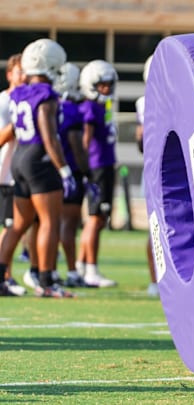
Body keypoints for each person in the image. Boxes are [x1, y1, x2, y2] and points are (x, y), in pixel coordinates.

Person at [0, 38, 76, 298]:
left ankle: (1, 277)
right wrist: (64, 169)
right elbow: (49, 136)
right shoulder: (46, 96)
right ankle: (46, 281)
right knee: (49, 221)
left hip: (20, 157)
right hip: (39, 160)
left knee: (19, 224)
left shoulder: (19, 92)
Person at [76, 60, 118, 287]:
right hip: (97, 166)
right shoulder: (90, 107)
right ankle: (90, 269)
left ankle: (83, 265)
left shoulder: (104, 106)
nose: (106, 89)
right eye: (101, 85)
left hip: (104, 165)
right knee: (94, 218)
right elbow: (86, 138)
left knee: (99, 218)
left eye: (108, 84)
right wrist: (86, 168)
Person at [53, 62, 92, 287]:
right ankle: (71, 271)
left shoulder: (53, 105)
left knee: (48, 224)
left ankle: (44, 270)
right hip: (71, 172)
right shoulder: (72, 110)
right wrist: (87, 173)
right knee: (68, 224)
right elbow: (77, 146)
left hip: (53, 169)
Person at [0, 54, 25, 296]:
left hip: (19, 174)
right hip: (4, 174)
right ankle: (4, 276)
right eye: (19, 72)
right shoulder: (4, 102)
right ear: (10, 75)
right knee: (9, 228)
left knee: (15, 227)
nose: (24, 77)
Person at [135, 55, 159, 297]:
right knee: (157, 228)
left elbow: (140, 140)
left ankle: (157, 281)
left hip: (154, 169)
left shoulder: (143, 102)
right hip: (160, 170)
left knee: (157, 228)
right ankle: (156, 280)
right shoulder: (148, 102)